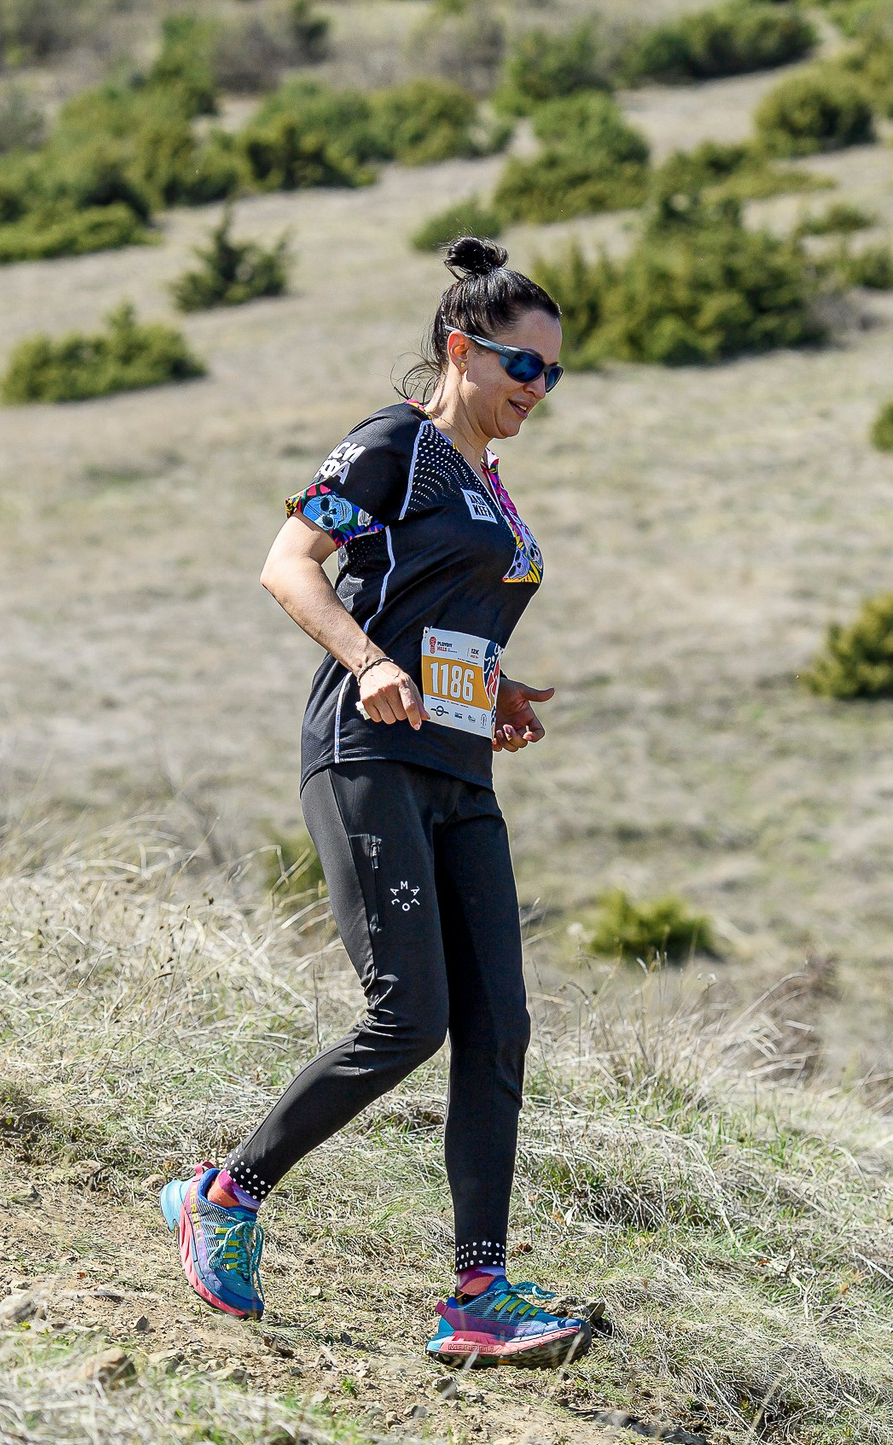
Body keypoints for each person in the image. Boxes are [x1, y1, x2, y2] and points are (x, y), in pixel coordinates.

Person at [157, 236, 593, 1369]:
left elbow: (438, 617)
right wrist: (370, 662)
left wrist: (487, 688)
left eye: (553, 373)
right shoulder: (392, 446)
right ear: (462, 348)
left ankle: (477, 1296)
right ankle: (225, 1193)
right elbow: (289, 562)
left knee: (498, 1025)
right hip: (366, 754)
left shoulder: (489, 482)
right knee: (411, 1013)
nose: (537, 390)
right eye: (523, 367)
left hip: (459, 771)